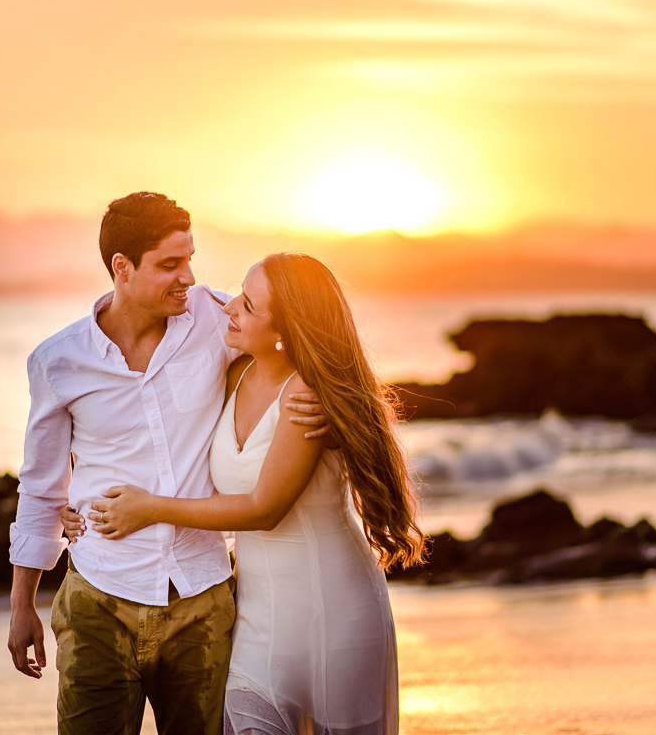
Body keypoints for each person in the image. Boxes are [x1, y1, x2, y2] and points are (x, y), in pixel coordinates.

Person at [64, 252, 425, 735]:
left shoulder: (306, 396)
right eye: (239, 292)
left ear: (285, 330)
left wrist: (149, 510)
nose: (231, 307)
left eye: (249, 305)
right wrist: (78, 501)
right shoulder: (235, 376)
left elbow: (264, 508)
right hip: (256, 613)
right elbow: (144, 430)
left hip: (332, 610)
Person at [7, 193, 328, 735]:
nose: (189, 278)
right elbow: (41, 487)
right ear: (122, 268)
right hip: (98, 603)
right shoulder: (58, 362)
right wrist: (21, 604)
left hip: (203, 602)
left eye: (190, 259)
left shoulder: (212, 317)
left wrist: (314, 390)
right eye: (170, 265)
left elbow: (291, 326)